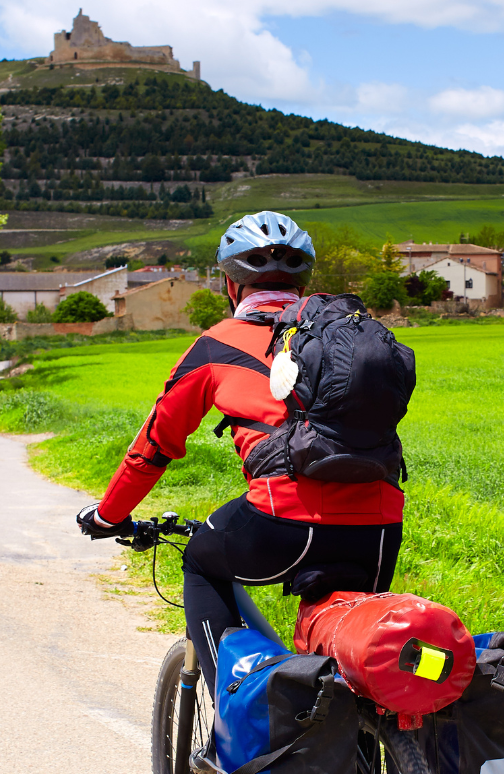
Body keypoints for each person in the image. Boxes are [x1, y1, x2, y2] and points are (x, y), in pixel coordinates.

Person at [76, 211, 404, 691]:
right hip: (377, 525)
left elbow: (153, 448)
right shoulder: (351, 338)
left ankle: (229, 717)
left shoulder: (216, 346)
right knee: (357, 662)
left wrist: (109, 516)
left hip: (280, 523)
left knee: (201, 561)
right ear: (303, 280)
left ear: (232, 286)